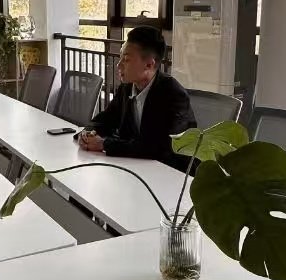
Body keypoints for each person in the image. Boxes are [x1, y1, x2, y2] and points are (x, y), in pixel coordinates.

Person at [77, 26, 197, 171]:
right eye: (120, 57)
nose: (119, 65)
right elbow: (105, 119)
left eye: (126, 59)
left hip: (170, 173)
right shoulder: (126, 87)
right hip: (134, 167)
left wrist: (104, 144)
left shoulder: (173, 95)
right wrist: (88, 133)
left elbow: (159, 148)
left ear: (149, 64)